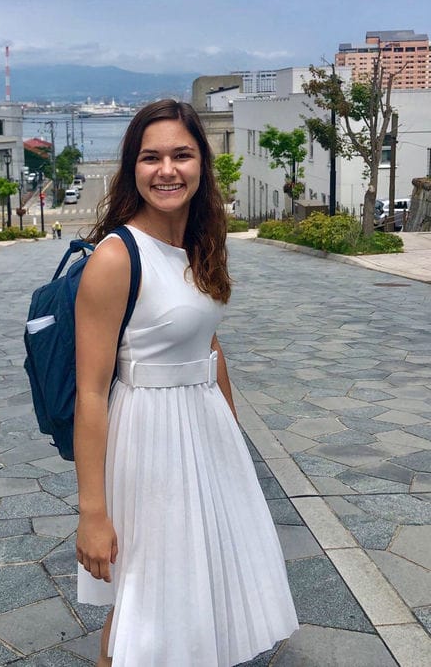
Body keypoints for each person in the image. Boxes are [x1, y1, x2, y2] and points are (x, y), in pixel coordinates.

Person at [74, 100, 298, 666]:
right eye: (151, 157)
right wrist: (92, 512)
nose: (167, 170)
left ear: (202, 164)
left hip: (204, 436)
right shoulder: (116, 257)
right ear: (132, 169)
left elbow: (210, 346)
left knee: (192, 593)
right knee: (145, 601)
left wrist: (231, 443)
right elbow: (91, 392)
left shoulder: (199, 245)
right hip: (148, 440)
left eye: (182, 154)